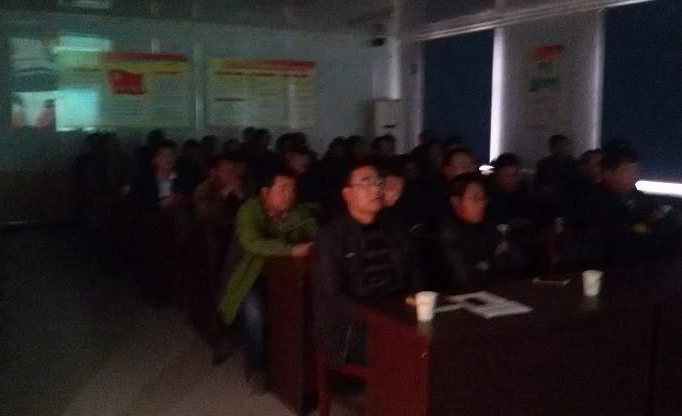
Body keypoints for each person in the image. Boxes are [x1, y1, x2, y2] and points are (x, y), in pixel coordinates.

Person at [312, 159, 424, 366]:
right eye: (366, 183)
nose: (376, 189)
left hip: (397, 314)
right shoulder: (331, 237)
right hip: (351, 327)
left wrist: (413, 305)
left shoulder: (395, 229)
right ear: (347, 194)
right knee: (406, 352)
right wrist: (376, 319)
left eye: (379, 182)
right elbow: (333, 294)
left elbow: (414, 274)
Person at [217, 169, 317, 392]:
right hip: (251, 275)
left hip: (285, 277)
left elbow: (315, 233)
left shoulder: (297, 211)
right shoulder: (249, 210)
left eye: (293, 190)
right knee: (255, 311)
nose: (289, 195)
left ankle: (297, 370)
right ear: (265, 192)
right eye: (283, 189)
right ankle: (260, 369)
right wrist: (291, 250)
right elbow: (252, 242)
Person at [588, 147, 677, 263]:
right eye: (627, 172)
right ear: (608, 174)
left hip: (647, 259)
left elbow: (662, 220)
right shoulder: (596, 200)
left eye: (635, 172)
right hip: (614, 263)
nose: (634, 177)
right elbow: (616, 237)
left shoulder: (638, 196)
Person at [438, 173, 525, 290]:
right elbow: (463, 278)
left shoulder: (487, 225)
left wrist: (488, 264)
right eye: (475, 199)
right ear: (456, 202)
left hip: (495, 290)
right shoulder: (448, 233)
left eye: (483, 199)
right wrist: (496, 260)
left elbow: (517, 259)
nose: (481, 204)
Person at [486, 152, 536, 227]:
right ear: (497, 176)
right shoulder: (488, 196)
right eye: (507, 176)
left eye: (515, 175)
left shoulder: (525, 192)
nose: (512, 180)